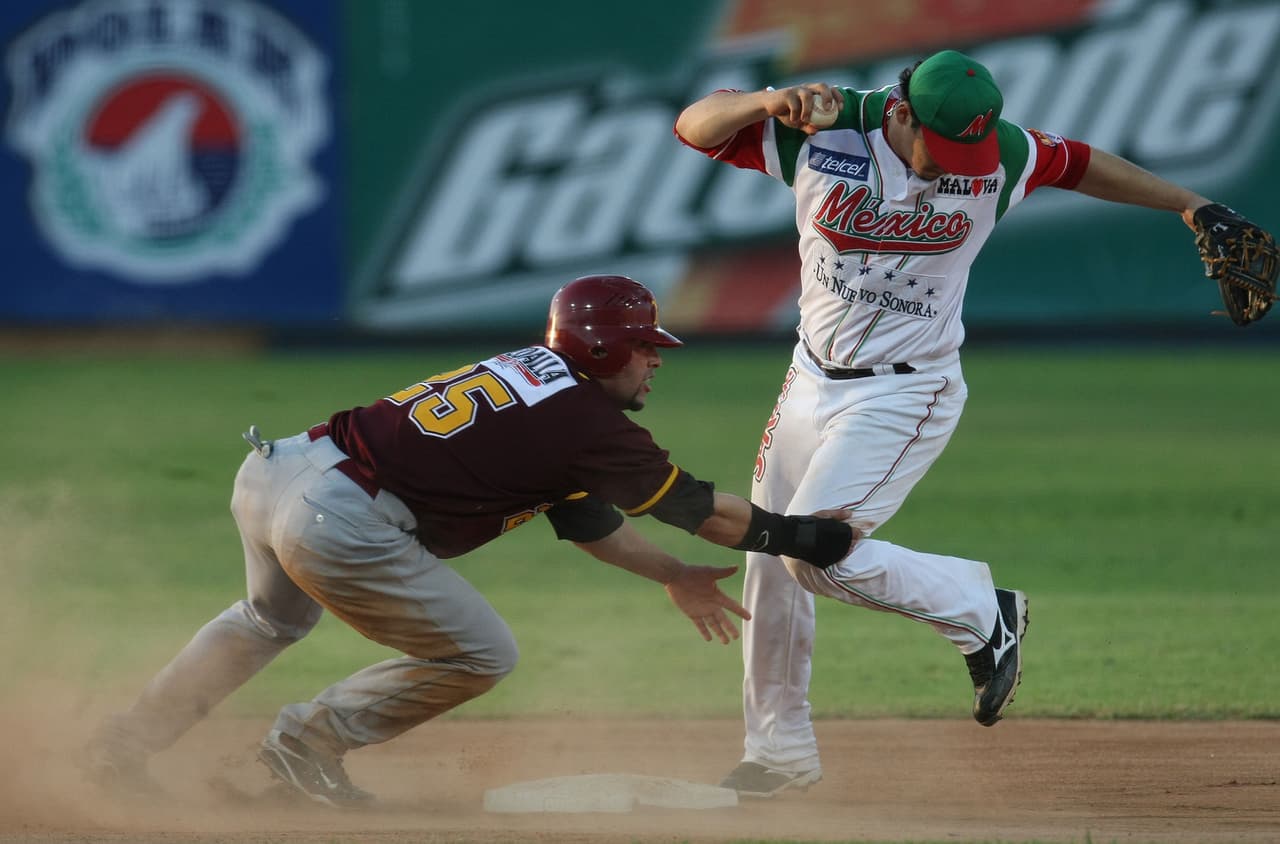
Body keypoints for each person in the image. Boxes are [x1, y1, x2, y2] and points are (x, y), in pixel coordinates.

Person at [81, 274, 859, 808]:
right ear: (596, 349)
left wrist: (669, 575)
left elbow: (586, 519)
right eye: (642, 344)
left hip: (277, 471)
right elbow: (700, 508)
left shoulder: (537, 380)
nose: (655, 357)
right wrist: (804, 537)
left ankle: (124, 744)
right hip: (339, 515)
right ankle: (306, 744)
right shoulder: (586, 421)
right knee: (482, 653)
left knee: (267, 620)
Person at [674, 48, 1223, 798]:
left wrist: (1191, 203)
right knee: (768, 558)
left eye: (977, 146)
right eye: (948, 147)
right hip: (808, 380)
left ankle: (980, 612)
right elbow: (694, 125)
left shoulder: (999, 153)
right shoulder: (827, 132)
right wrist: (768, 102)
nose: (965, 163)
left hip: (907, 391)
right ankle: (779, 752)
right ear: (901, 113)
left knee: (813, 553)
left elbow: (1084, 165)